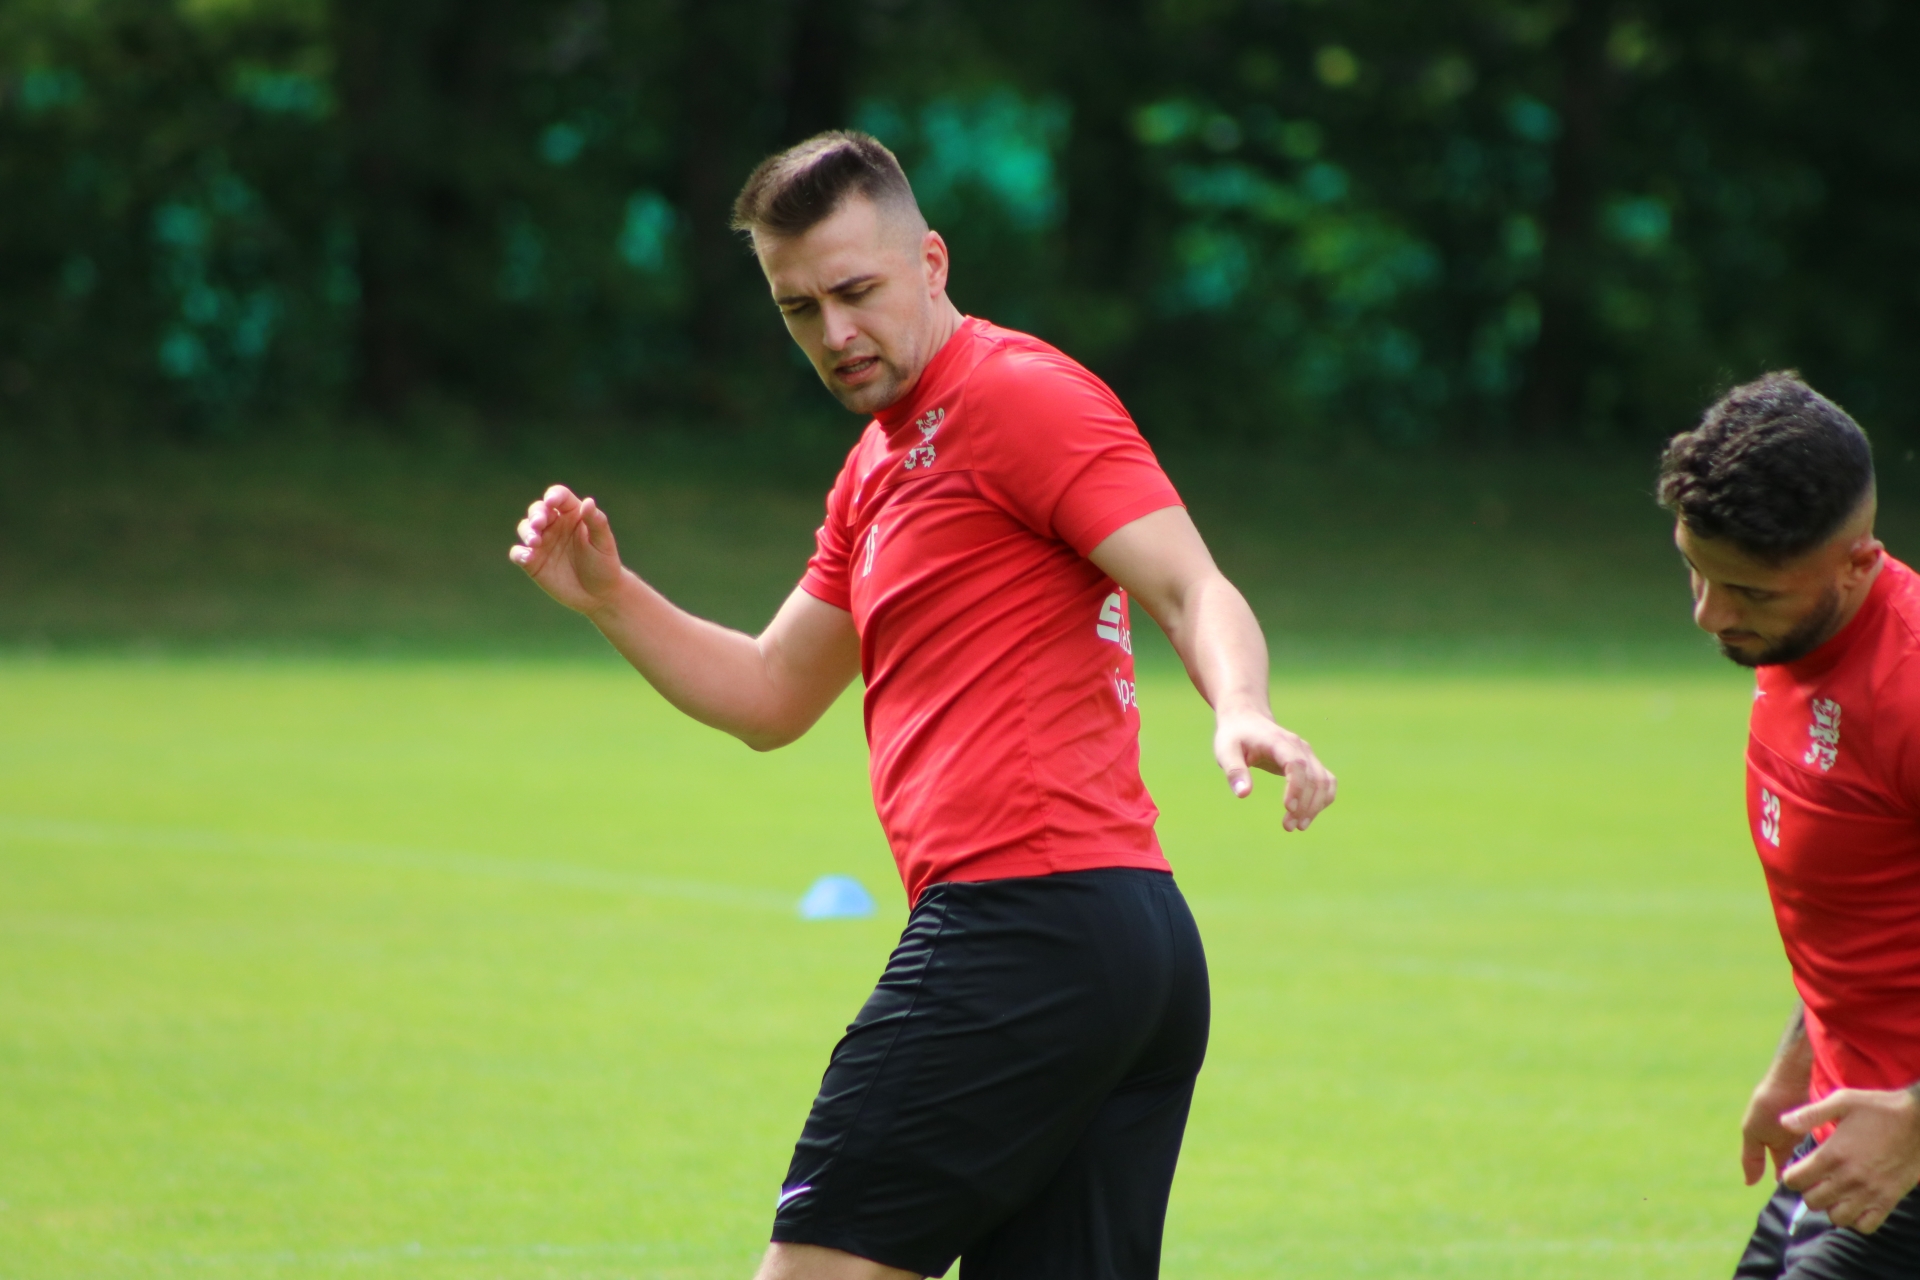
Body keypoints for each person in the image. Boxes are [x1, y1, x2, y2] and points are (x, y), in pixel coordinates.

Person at [509, 130, 1336, 1279]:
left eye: (856, 291)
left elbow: (1190, 585)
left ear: (931, 262)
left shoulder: (1020, 394)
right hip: (1112, 945)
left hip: (1026, 927)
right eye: (799, 308)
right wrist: (611, 596)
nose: (834, 333)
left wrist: (1241, 703)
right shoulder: (875, 466)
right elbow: (771, 692)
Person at [1658, 371, 1920, 1278]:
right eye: (1696, 571)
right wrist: (1796, 1061)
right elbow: (1867, 914)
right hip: (1844, 1124)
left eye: (1751, 594)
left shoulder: (1909, 688)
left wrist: (1914, 1122)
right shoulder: (1795, 640)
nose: (1711, 613)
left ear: (1857, 562)